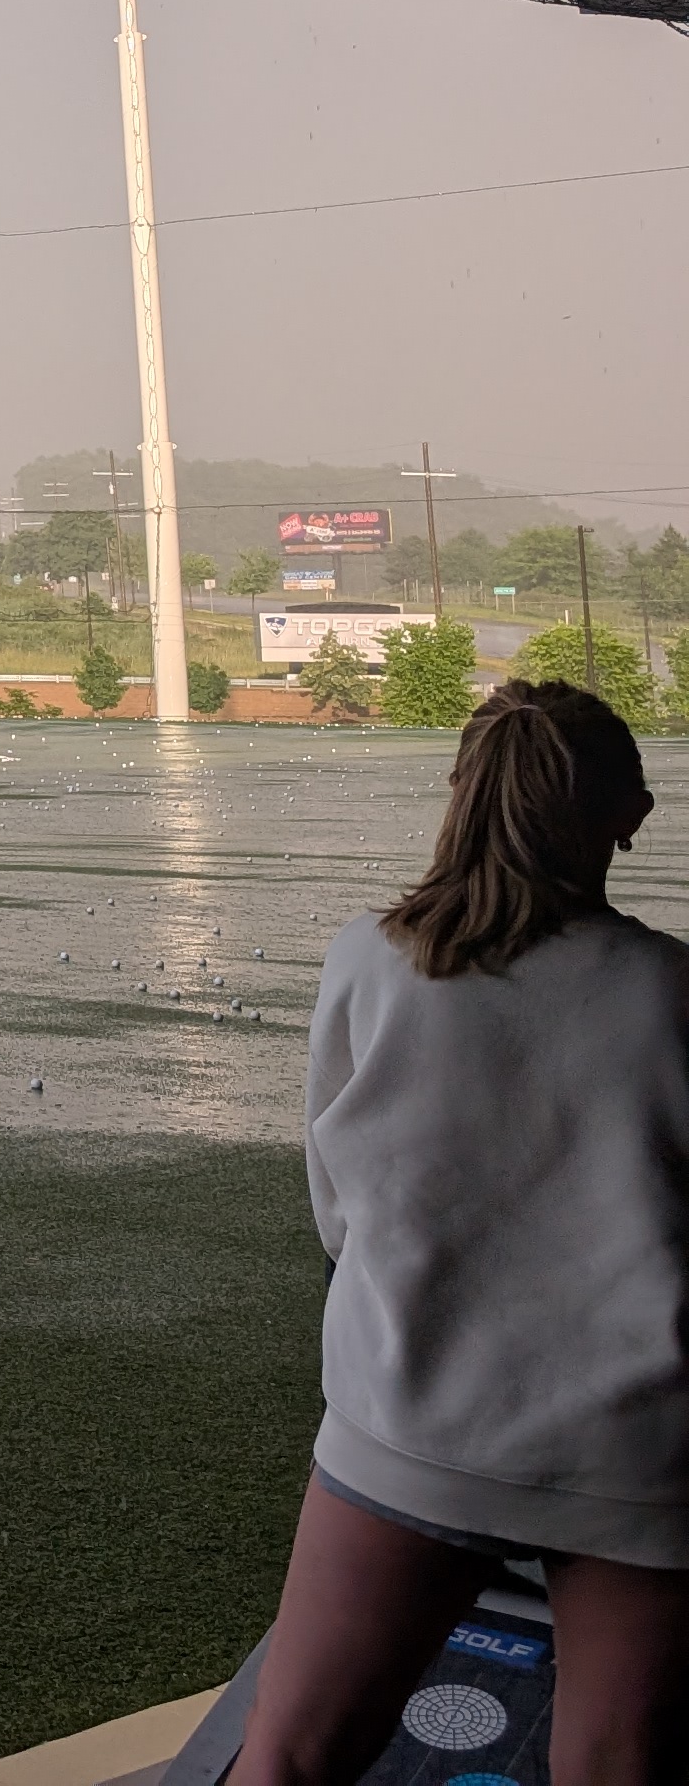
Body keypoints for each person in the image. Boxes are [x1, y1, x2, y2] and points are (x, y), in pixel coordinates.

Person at [231, 680, 688, 1786]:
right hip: (635, 1454)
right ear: (626, 816)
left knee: (290, 1754)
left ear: (462, 795)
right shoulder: (674, 994)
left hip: (405, 1422)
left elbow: (337, 1211)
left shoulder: (367, 960)